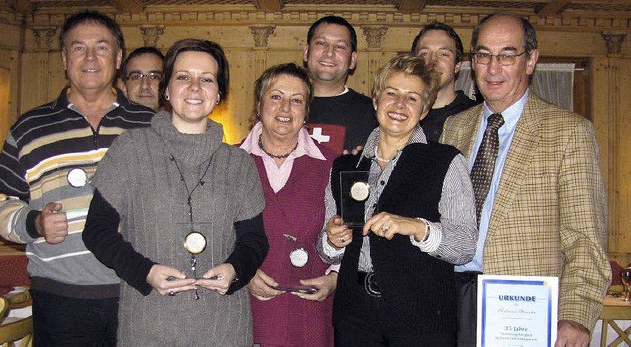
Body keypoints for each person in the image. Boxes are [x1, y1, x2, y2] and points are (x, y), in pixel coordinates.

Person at [82, 38, 269, 346]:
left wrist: (235, 270)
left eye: (206, 79)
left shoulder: (238, 163)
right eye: (183, 77)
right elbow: (97, 232)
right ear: (166, 89)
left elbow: (255, 240)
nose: (195, 87)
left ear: (219, 92)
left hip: (224, 329)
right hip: (148, 324)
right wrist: (145, 271)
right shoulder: (130, 151)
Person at [440, 13, 610, 347]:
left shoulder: (569, 132)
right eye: (483, 55)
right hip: (448, 298)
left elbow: (586, 241)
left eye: (506, 55)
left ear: (530, 60)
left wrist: (576, 315)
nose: (493, 67)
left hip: (522, 312)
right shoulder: (454, 129)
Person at [0, 10, 155, 346]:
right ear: (65, 58)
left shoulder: (151, 127)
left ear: (119, 57)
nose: (91, 57)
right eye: (78, 48)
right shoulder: (29, 128)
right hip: (61, 297)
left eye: (102, 47)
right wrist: (34, 223)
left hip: (139, 292)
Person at [318, 54, 477, 346]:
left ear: (425, 109)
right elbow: (328, 252)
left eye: (412, 98)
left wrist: (417, 227)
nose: (400, 105)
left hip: (423, 318)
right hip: (354, 316)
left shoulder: (446, 162)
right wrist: (331, 239)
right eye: (391, 93)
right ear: (376, 100)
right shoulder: (344, 166)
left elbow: (465, 246)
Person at [241, 63, 337, 347]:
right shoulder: (230, 161)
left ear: (306, 112)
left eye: (296, 100)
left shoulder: (332, 165)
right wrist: (240, 271)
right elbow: (214, 233)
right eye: (275, 96)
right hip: (247, 309)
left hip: (310, 312)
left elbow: (351, 231)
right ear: (259, 104)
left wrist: (334, 278)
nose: (285, 108)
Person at [304, 15, 378, 155]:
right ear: (306, 52)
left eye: (340, 46)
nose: (329, 52)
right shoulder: (283, 107)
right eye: (321, 43)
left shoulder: (374, 113)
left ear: (352, 60)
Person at [411, 21, 480, 142]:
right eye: (424, 54)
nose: (433, 61)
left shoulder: (477, 115)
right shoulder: (402, 113)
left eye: (443, 54)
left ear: (457, 65)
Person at [119, 46, 164, 111]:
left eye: (154, 77)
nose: (145, 86)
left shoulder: (181, 120)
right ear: (124, 88)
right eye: (136, 77)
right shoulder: (109, 120)